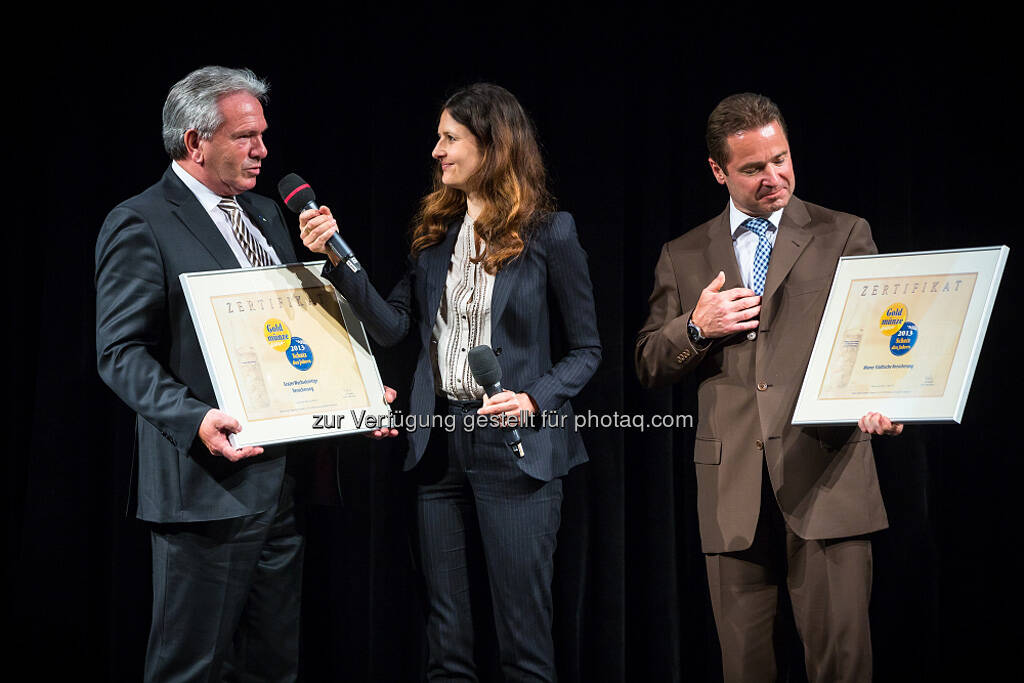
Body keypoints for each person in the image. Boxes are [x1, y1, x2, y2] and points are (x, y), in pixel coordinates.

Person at [95, 66, 395, 682]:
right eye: (244, 137)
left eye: (262, 135)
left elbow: (286, 334)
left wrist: (355, 393)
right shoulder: (141, 221)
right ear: (195, 142)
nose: (262, 150)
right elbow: (119, 352)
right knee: (192, 667)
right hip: (204, 489)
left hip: (279, 485)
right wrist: (195, 418)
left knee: (273, 664)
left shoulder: (265, 213)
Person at [298, 82, 601, 682]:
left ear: (492, 144)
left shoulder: (549, 232)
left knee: (523, 643)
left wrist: (533, 397)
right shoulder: (437, 238)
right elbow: (390, 328)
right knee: (447, 647)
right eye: (438, 138)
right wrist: (337, 254)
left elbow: (589, 350)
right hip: (437, 450)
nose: (436, 150)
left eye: (450, 138)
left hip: (516, 452)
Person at [635, 93, 902, 683]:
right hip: (731, 488)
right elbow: (649, 363)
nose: (773, 177)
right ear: (718, 171)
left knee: (843, 666)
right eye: (753, 168)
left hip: (826, 476)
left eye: (780, 159)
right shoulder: (683, 254)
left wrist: (891, 400)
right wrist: (697, 327)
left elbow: (881, 340)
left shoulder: (842, 233)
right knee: (743, 669)